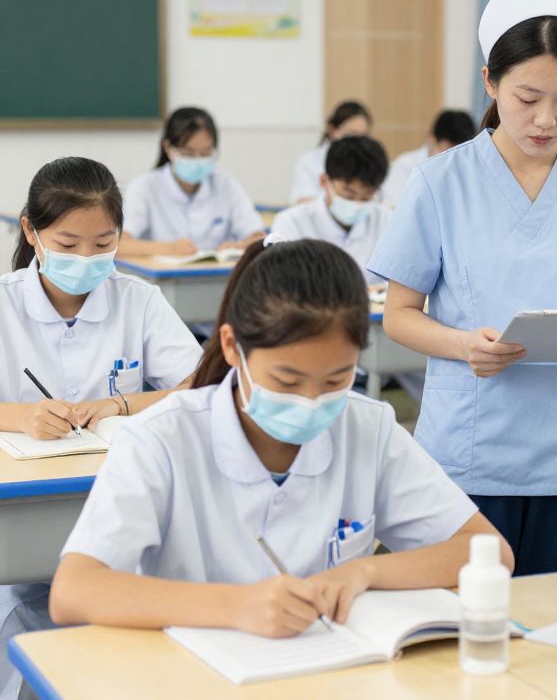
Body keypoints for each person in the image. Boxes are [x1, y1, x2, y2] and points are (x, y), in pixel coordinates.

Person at [49, 239, 513, 637]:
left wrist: (365, 570)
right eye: (287, 381)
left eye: (335, 380)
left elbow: (488, 551)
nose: (311, 401)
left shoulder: (366, 427)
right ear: (232, 347)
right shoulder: (161, 439)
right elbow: (74, 590)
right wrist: (236, 606)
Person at [366, 0, 557, 575]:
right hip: (470, 449)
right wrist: (463, 345)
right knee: (469, 611)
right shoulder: (439, 184)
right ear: (491, 83)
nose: (547, 120)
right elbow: (398, 315)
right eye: (528, 98)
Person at [0, 157, 201, 700]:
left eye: (103, 244)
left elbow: (201, 386)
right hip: (25, 508)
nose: (86, 260)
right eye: (68, 245)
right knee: (25, 619)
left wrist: (122, 404)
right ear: (30, 232)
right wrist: (20, 416)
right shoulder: (4, 302)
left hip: (119, 491)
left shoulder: (138, 298)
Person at [120, 107, 264, 256]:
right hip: (161, 271)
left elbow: (259, 238)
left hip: (217, 271)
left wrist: (239, 246)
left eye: (205, 153)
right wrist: (168, 249)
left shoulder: (227, 186)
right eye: (188, 153)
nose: (197, 160)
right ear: (168, 147)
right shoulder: (144, 187)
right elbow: (119, 244)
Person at [272, 136, 391, 285]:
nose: (357, 203)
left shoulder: (387, 221)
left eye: (367, 196)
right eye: (348, 194)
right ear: (324, 181)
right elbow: (285, 282)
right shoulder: (292, 223)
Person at [379, 109, 476, 207]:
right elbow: (393, 208)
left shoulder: (470, 172)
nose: (453, 159)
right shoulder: (405, 166)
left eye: (461, 153)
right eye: (448, 151)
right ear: (431, 138)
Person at [291, 101, 372, 204]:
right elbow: (303, 202)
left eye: (362, 137)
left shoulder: (372, 165)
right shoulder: (308, 162)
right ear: (333, 131)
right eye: (351, 135)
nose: (356, 143)